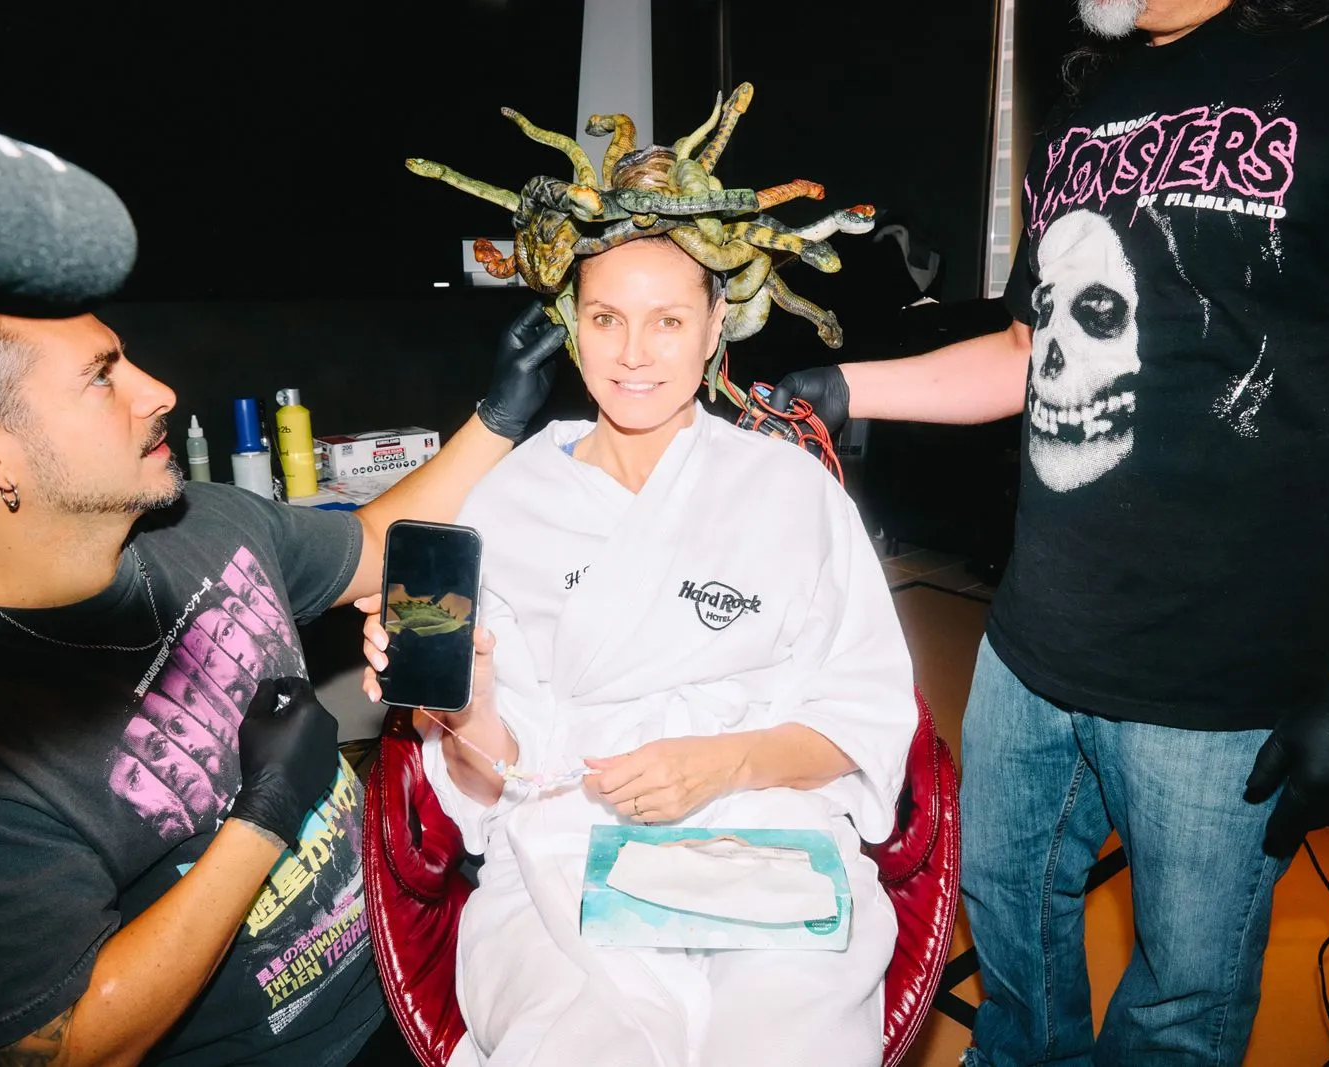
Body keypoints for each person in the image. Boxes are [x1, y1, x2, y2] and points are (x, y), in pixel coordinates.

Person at [769, 0, 1329, 1063]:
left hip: (1225, 691)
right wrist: (846, 384)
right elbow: (1025, 353)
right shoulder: (1092, 102)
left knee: (1179, 1006)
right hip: (1028, 652)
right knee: (1008, 934)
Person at [0, 299, 565, 1065]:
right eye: (100, 378)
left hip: (411, 972)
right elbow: (62, 1048)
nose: (159, 391)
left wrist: (499, 414)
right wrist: (267, 814)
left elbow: (370, 541)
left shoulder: (203, 522)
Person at [356, 195, 917, 1065]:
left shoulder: (790, 490)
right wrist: (467, 705)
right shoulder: (509, 502)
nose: (633, 353)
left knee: (781, 1038)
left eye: (668, 321)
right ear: (571, 325)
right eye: (606, 318)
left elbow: (865, 717)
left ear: (715, 325)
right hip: (564, 845)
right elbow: (494, 782)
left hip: (763, 832)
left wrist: (724, 762)